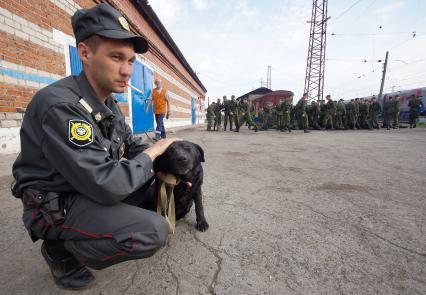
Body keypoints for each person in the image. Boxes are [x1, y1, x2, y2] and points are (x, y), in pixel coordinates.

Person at [11, 3, 179, 290]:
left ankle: (88, 230)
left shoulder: (108, 102)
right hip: (55, 204)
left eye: (130, 61)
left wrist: (168, 165)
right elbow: (108, 183)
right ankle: (60, 251)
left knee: (152, 180)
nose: (126, 71)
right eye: (116, 57)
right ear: (85, 53)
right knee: (153, 231)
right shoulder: (60, 105)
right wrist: (154, 152)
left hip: (84, 185)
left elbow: (131, 145)